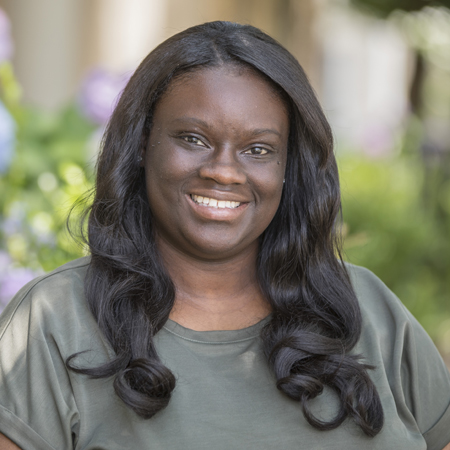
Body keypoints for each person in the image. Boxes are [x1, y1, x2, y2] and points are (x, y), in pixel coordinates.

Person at [0, 21, 449, 450]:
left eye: (258, 149)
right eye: (193, 139)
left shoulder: (369, 310)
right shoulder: (53, 323)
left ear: (288, 166)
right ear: (141, 143)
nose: (224, 172)